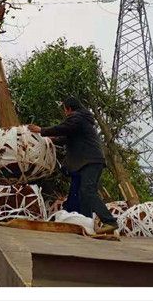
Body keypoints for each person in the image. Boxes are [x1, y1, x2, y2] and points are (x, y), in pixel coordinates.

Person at [28, 97, 118, 234]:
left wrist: (42, 130)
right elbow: (67, 137)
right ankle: (88, 223)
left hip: (89, 161)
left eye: (65, 110)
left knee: (88, 191)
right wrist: (53, 140)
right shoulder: (82, 120)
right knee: (83, 193)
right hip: (90, 161)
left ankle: (109, 221)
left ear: (68, 109)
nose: (65, 113)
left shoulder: (77, 117)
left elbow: (64, 128)